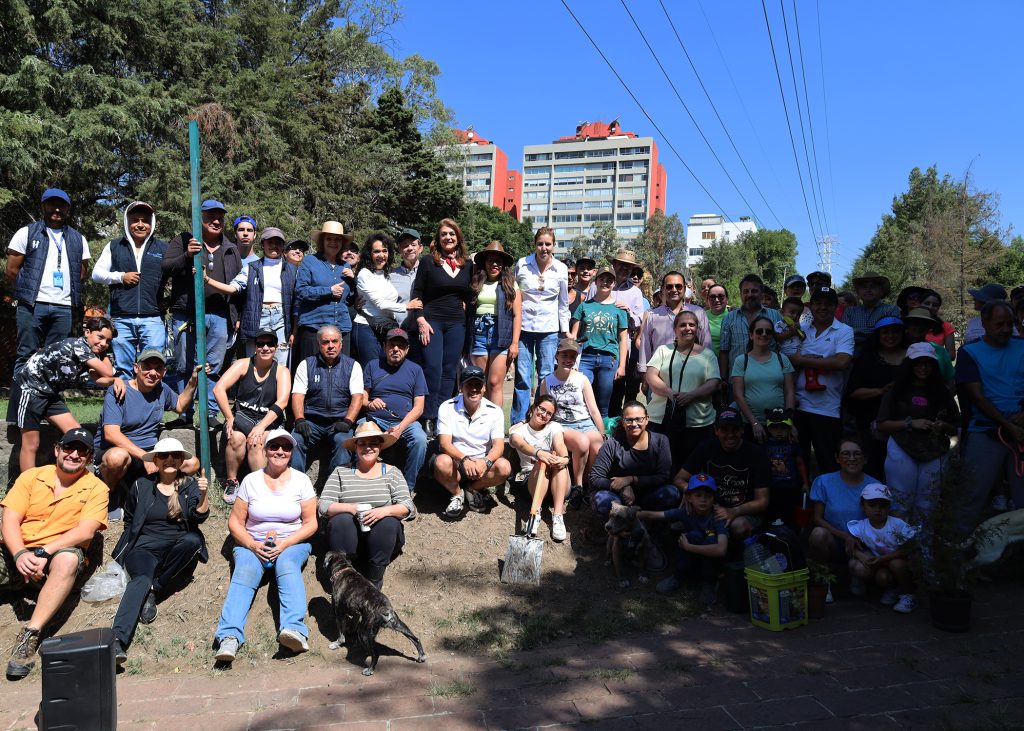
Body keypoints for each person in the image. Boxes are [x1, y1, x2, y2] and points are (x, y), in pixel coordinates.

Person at [1, 428, 107, 679]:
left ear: (90, 458)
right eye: (69, 447)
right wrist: (20, 554)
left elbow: (85, 531)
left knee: (68, 559)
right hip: (17, 553)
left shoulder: (96, 488)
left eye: (82, 451)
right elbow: (9, 519)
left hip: (53, 559)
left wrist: (44, 551)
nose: (74, 454)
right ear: (57, 450)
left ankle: (30, 635)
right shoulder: (31, 477)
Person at [213, 429, 318, 662]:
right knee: (245, 570)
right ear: (265, 450)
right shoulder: (251, 481)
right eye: (274, 446)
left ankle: (294, 630)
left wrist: (285, 543)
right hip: (253, 542)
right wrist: (252, 544)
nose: (280, 451)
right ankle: (229, 636)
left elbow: (311, 523)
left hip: (291, 542)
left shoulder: (301, 480)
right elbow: (235, 522)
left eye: (286, 447)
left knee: (287, 564)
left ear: (292, 452)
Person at [109, 438, 209, 664]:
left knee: (192, 541)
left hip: (177, 547)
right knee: (141, 580)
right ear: (155, 460)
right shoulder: (141, 485)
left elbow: (198, 517)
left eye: (175, 455)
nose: (169, 460)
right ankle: (117, 639)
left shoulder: (190, 485)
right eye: (163, 456)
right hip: (144, 548)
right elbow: (130, 519)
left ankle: (154, 589)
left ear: (181, 460)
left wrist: (204, 495)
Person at [162, 199, 243, 426]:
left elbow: (237, 286)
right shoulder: (184, 240)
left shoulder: (230, 248)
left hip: (219, 315)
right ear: (200, 218)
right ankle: (185, 414)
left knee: (213, 367)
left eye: (219, 217)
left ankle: (210, 414)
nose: (216, 221)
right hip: (186, 313)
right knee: (184, 365)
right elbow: (166, 267)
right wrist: (187, 255)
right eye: (210, 217)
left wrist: (236, 316)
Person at [97, 349, 201, 512]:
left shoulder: (162, 389)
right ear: (136, 368)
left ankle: (163, 496)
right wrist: (145, 457)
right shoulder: (118, 390)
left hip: (149, 453)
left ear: (164, 372)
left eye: (158, 368)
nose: (152, 373)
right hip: (118, 451)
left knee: (191, 463)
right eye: (147, 367)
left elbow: (180, 405)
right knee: (117, 458)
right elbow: (111, 434)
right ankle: (111, 494)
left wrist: (193, 381)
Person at [8, 316, 117, 472]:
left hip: (49, 394)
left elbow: (100, 379)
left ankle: (65, 476)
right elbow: (108, 372)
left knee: (76, 432)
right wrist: (105, 356)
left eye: (108, 341)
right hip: (29, 389)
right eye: (100, 337)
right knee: (31, 443)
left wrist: (115, 380)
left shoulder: (90, 353)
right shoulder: (78, 345)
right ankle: (28, 484)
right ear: (87, 332)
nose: (104, 343)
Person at [318, 422, 415, 589]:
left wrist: (383, 511)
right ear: (355, 447)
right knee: (341, 519)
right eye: (362, 443)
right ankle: (345, 574)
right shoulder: (341, 471)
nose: (368, 448)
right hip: (347, 538)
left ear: (380, 447)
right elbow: (324, 504)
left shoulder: (392, 472)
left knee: (388, 522)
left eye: (373, 443)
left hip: (382, 539)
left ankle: (374, 578)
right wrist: (351, 508)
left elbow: (407, 506)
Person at [955, 300, 1024, 532]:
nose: (1006, 329)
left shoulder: (1022, 346)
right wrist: (1007, 424)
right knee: (971, 494)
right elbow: (977, 396)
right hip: (986, 430)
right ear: (984, 323)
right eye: (999, 324)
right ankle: (959, 544)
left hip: (1020, 430)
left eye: (1010, 324)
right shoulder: (969, 352)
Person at [7, 188, 91, 375]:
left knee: (56, 357)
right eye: (52, 204)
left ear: (68, 209)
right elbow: (12, 270)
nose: (57, 209)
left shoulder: (79, 239)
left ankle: (47, 394)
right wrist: (26, 292)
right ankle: (21, 392)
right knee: (26, 354)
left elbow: (81, 274)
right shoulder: (26, 233)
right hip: (32, 305)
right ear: (43, 206)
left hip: (64, 307)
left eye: (62, 205)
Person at [875, 343, 959, 521]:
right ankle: (899, 537)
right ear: (909, 365)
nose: (923, 368)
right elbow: (881, 424)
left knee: (928, 503)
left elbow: (955, 426)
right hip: (902, 447)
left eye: (928, 363)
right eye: (918, 363)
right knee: (901, 501)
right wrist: (910, 423)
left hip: (935, 451)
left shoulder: (942, 391)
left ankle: (924, 539)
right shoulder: (896, 389)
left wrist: (942, 426)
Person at [411, 219, 475, 438]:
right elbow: (417, 293)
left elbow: (470, 293)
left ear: (458, 237)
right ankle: (428, 416)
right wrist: (420, 319)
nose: (448, 237)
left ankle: (442, 417)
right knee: (433, 369)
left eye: (452, 234)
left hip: (457, 323)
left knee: (449, 371)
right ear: (438, 239)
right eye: (444, 234)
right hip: (432, 322)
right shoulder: (429, 262)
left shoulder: (467, 265)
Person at [91, 200, 169, 376]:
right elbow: (96, 274)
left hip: (153, 318)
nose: (140, 225)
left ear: (152, 223)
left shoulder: (163, 248)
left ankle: (151, 396)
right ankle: (125, 395)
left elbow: (179, 274)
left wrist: (169, 301)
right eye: (135, 220)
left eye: (145, 221)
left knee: (153, 369)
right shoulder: (114, 246)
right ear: (127, 222)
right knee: (123, 369)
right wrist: (120, 277)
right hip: (122, 319)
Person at [213, 329, 292, 502]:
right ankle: (232, 481)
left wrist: (261, 426)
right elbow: (218, 389)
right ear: (255, 346)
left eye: (270, 344)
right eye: (261, 344)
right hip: (243, 417)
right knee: (235, 438)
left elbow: (282, 402)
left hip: (268, 421)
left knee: (257, 442)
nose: (265, 348)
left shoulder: (282, 371)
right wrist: (229, 417)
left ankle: (260, 488)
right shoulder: (242, 364)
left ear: (276, 347)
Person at [674, 408, 771, 539]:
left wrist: (733, 511)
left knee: (738, 526)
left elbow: (762, 501)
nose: (730, 435)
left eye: (735, 429)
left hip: (743, 510)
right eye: (724, 429)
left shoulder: (756, 454)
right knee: (685, 514)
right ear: (716, 431)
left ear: (742, 430)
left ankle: (741, 548)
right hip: (711, 506)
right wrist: (689, 490)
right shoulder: (706, 447)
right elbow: (679, 478)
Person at [205, 227, 296, 366]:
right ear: (263, 244)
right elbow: (233, 288)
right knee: (254, 364)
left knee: (281, 364)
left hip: (282, 320)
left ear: (283, 246)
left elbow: (297, 303)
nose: (274, 245)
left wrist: (294, 331)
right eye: (270, 242)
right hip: (256, 318)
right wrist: (207, 279)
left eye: (278, 242)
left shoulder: (292, 270)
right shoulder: (252, 268)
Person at [789, 287, 854, 476]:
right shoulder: (801, 329)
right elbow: (788, 358)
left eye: (828, 304)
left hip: (827, 408)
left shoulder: (844, 331)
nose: (822, 307)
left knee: (828, 464)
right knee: (798, 463)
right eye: (818, 303)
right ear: (811, 306)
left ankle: (826, 496)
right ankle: (802, 494)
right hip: (799, 406)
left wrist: (802, 360)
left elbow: (842, 362)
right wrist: (824, 361)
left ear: (836, 307)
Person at [433, 365, 512, 519]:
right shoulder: (447, 407)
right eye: (469, 384)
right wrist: (464, 459)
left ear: (484, 388)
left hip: (481, 465)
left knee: (504, 467)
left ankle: (472, 489)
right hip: (456, 462)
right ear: (461, 387)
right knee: (441, 462)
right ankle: (457, 494)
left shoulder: (494, 410)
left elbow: (499, 446)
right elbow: (444, 443)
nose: (474, 389)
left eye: (478, 385)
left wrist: (485, 461)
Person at [645, 310, 721, 469]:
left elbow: (714, 382)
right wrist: (669, 393)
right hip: (661, 419)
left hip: (698, 422)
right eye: (683, 325)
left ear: (697, 328)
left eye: (692, 325)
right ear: (675, 329)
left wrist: (691, 396)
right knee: (661, 467)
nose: (688, 328)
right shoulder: (663, 350)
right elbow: (651, 375)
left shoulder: (708, 355)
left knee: (692, 468)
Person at [641, 473, 728, 607]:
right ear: (689, 498)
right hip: (693, 559)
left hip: (710, 562)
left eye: (708, 496)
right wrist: (630, 512)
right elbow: (654, 515)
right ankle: (678, 577)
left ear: (714, 499)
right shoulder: (685, 512)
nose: (703, 499)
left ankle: (709, 583)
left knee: (710, 540)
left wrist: (689, 547)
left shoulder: (717, 517)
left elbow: (721, 549)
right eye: (698, 495)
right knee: (691, 536)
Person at [807, 437, 879, 598]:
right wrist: (845, 536)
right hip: (834, 541)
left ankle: (857, 577)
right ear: (837, 458)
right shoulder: (824, 482)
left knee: (865, 570)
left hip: (862, 544)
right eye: (846, 454)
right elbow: (817, 519)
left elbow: (881, 522)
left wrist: (857, 540)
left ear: (865, 459)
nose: (852, 458)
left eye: (857, 454)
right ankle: (823, 580)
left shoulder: (875, 486)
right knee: (817, 534)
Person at [511, 227, 570, 424]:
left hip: (549, 329)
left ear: (554, 245)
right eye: (540, 244)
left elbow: (563, 302)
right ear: (535, 245)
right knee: (522, 377)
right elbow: (514, 294)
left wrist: (565, 330)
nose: (544, 248)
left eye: (548, 244)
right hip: (524, 327)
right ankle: (519, 421)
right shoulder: (522, 264)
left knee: (545, 376)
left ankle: (541, 420)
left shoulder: (561, 269)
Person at [361, 327, 429, 494]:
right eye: (392, 345)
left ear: (407, 349)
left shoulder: (416, 370)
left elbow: (419, 407)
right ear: (385, 347)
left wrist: (401, 427)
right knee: (356, 436)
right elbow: (361, 398)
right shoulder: (372, 365)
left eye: (401, 345)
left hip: (404, 422)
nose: (396, 349)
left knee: (420, 440)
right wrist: (370, 403)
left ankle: (407, 488)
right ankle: (361, 483)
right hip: (375, 420)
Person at [538, 338, 605, 502]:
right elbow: (543, 409)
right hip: (562, 425)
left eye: (572, 356)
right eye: (564, 355)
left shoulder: (582, 379)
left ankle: (589, 484)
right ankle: (578, 485)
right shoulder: (547, 381)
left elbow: (593, 409)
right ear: (557, 356)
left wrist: (602, 432)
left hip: (585, 422)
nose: (568, 360)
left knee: (598, 446)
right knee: (582, 442)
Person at [290, 325, 364, 473]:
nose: (331, 346)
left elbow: (358, 397)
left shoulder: (353, 366)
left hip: (339, 421)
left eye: (334, 341)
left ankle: (334, 484)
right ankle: (297, 484)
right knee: (295, 440)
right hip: (312, 421)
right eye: (325, 342)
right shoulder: (306, 364)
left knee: (344, 443)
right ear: (319, 345)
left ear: (341, 344)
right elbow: (297, 395)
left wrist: (348, 421)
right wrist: (299, 419)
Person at [843, 317, 908, 478]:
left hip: (906, 426)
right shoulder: (867, 359)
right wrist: (880, 391)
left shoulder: (912, 357)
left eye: (895, 332)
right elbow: (852, 393)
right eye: (885, 332)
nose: (890, 336)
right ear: (878, 335)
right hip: (871, 427)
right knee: (874, 471)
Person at [589, 401, 678, 517]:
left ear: (647, 419)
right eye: (629, 420)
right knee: (602, 499)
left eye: (638, 419)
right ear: (622, 421)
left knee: (671, 493)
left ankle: (646, 519)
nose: (634, 424)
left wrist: (632, 479)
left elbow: (664, 477)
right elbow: (595, 478)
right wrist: (623, 487)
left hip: (649, 495)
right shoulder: (612, 444)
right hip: (618, 497)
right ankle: (622, 521)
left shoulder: (661, 441)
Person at [846, 483, 917, 613]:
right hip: (881, 564)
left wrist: (884, 558)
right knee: (881, 577)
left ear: (889, 506)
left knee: (896, 564)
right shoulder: (861, 526)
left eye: (882, 506)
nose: (878, 509)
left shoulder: (897, 525)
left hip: (898, 562)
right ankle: (893, 589)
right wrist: (861, 556)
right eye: (872, 505)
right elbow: (851, 546)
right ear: (863, 506)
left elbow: (908, 549)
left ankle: (908, 594)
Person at [508, 395, 571, 541]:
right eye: (542, 409)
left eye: (549, 413)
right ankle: (535, 514)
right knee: (543, 461)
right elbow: (520, 444)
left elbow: (560, 444)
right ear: (533, 408)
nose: (544, 415)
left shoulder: (554, 427)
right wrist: (539, 453)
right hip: (532, 481)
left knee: (558, 462)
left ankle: (558, 516)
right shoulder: (519, 431)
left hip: (557, 485)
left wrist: (564, 458)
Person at [638, 270, 712, 392]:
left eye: (678, 286)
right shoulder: (653, 316)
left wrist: (707, 371)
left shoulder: (698, 313)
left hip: (692, 377)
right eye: (669, 286)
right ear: (663, 289)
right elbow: (645, 347)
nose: (674, 290)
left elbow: (706, 345)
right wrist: (645, 375)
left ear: (684, 289)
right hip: (659, 379)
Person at [293, 221, 355, 365]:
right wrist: (329, 291)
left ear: (342, 243)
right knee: (311, 370)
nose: (333, 243)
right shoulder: (310, 261)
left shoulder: (345, 266)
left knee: (342, 372)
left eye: (337, 239)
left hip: (341, 328)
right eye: (329, 238)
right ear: (322, 241)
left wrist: (353, 282)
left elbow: (349, 300)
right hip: (314, 327)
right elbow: (301, 291)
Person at [570, 266, 628, 418]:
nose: (605, 283)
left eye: (609, 280)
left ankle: (603, 431)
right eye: (602, 279)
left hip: (608, 359)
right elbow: (574, 336)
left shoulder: (620, 309)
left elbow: (623, 339)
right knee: (582, 399)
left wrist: (622, 366)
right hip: (586, 358)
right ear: (596, 282)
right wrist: (573, 361)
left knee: (603, 405)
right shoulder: (584, 306)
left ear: (614, 284)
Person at [468, 241, 521, 406]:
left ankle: (496, 421)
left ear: (503, 265)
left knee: (495, 382)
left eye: (498, 261)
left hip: (501, 334)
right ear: (485, 262)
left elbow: (517, 315)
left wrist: (514, 343)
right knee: (481, 382)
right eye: (490, 260)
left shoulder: (510, 284)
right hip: (478, 332)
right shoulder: (476, 282)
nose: (494, 264)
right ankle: (482, 419)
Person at [732, 316, 795, 444]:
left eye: (768, 331)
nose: (764, 334)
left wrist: (790, 422)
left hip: (780, 424)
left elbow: (789, 392)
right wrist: (754, 423)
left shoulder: (782, 359)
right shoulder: (741, 361)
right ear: (751, 335)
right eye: (759, 331)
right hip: (750, 424)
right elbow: (738, 395)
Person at [603, 249, 647, 417]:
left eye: (628, 266)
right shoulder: (599, 284)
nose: (625, 269)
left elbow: (639, 320)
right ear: (614, 264)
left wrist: (628, 313)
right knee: (600, 388)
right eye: (621, 264)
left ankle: (615, 421)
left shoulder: (635, 292)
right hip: (600, 344)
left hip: (622, 347)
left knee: (618, 387)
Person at [353, 233, 407, 366]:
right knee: (371, 368)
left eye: (385, 251)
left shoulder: (387, 274)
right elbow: (380, 304)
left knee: (385, 369)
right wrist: (407, 306)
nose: (381, 255)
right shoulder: (364, 274)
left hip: (385, 328)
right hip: (366, 327)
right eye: (376, 251)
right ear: (369, 254)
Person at [718, 274, 781, 384]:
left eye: (754, 291)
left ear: (761, 293)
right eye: (746, 291)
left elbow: (781, 346)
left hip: (768, 379)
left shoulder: (775, 315)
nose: (750, 294)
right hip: (737, 380)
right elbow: (724, 351)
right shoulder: (729, 318)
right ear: (741, 294)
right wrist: (723, 379)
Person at [762, 408, 809, 525]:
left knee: (789, 513)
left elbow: (800, 463)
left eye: (783, 427)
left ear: (789, 429)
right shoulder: (765, 446)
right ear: (769, 429)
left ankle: (789, 531)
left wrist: (805, 482)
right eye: (775, 428)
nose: (779, 431)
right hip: (772, 487)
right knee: (771, 512)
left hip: (790, 486)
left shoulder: (793, 445)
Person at [843, 271, 901, 356]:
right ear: (859, 292)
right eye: (864, 287)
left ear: (881, 291)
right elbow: (845, 336)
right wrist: (875, 332)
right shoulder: (850, 311)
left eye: (873, 287)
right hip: (854, 357)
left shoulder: (890, 309)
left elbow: (891, 336)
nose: (868, 290)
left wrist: (857, 331)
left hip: (883, 356)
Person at [388, 228, 422, 337]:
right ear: (399, 249)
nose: (410, 248)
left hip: (425, 331)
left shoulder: (429, 272)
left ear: (420, 248)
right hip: (399, 333)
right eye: (405, 245)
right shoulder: (390, 276)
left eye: (413, 244)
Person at [920, 290, 957, 361]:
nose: (930, 307)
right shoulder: (911, 324)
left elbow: (951, 355)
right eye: (927, 303)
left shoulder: (946, 326)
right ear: (920, 304)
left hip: (936, 365)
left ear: (938, 308)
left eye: (935, 305)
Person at [704, 284, 730, 357]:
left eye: (721, 296)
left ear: (727, 299)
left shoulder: (733, 317)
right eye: (712, 297)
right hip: (705, 361)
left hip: (729, 361)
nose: (717, 300)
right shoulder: (701, 316)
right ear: (707, 299)